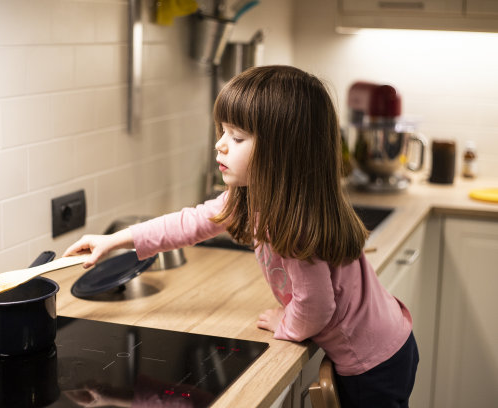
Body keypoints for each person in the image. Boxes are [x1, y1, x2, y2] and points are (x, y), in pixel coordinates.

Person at [64, 65, 419, 408]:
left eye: (237, 137)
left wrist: (288, 323)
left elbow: (317, 306)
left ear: (283, 151)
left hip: (373, 362)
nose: (220, 145)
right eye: (222, 132)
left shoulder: (294, 225)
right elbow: (192, 222)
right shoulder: (257, 197)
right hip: (386, 343)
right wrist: (116, 239)